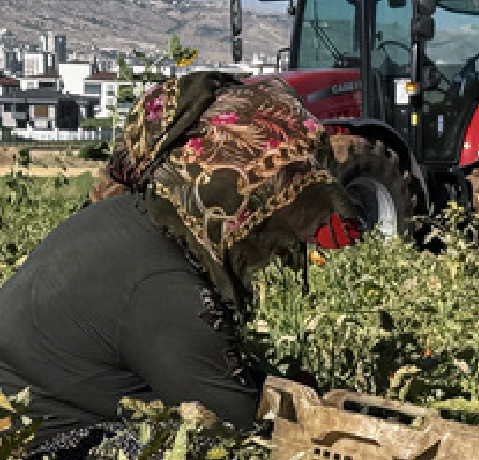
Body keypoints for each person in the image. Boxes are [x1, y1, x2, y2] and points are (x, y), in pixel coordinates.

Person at [0, 72, 364, 458]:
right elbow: (237, 429)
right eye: (271, 217)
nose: (280, 239)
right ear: (232, 209)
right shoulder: (165, 286)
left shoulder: (126, 218)